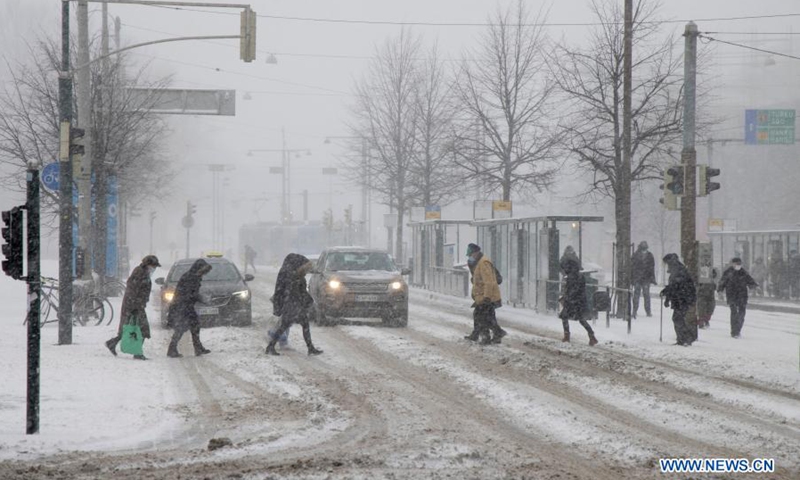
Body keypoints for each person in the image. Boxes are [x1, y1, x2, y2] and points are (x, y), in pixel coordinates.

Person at [266, 254, 323, 356]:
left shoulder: (296, 275)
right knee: (285, 326)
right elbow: (289, 292)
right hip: (291, 306)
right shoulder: (290, 275)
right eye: (305, 268)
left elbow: (301, 291)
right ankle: (270, 346)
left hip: (296, 306)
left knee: (299, 325)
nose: (306, 271)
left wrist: (307, 300)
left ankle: (310, 348)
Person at [105, 255, 161, 360]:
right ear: (148, 264)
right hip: (134, 306)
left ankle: (112, 343)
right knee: (141, 329)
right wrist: (135, 306)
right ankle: (137, 353)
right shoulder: (140, 273)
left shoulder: (143, 272)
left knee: (130, 327)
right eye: (153, 266)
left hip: (135, 305)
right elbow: (133, 290)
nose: (154, 268)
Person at [166, 259, 213, 358]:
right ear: (198, 268)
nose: (203, 274)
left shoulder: (194, 276)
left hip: (186, 305)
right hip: (182, 305)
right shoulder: (190, 277)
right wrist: (200, 298)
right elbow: (189, 293)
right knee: (182, 327)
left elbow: (191, 293)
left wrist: (198, 297)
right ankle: (172, 349)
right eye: (203, 271)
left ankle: (197, 347)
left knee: (194, 325)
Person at [463, 243, 506, 344]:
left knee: (481, 316)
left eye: (471, 254)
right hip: (483, 295)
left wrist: (487, 297)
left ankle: (491, 335)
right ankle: (494, 335)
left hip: (487, 296)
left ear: (476, 253)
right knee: (486, 316)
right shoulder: (479, 263)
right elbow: (480, 279)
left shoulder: (483, 263)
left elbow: (489, 281)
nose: (470, 257)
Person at [559, 257, 598, 346]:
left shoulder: (572, 277)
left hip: (573, 302)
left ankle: (567, 335)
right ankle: (591, 336)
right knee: (581, 320)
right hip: (580, 302)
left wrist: (567, 298)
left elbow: (572, 290)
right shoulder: (579, 276)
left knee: (564, 317)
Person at [660, 253, 696, 346]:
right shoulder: (678, 269)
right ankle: (683, 339)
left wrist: (666, 292)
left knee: (678, 318)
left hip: (682, 298)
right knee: (678, 318)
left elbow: (675, 285)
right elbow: (674, 285)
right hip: (682, 297)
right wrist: (667, 297)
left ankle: (685, 338)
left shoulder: (677, 270)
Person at [717, 257, 758, 339]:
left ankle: (738, 329)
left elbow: (750, 281)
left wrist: (754, 287)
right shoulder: (728, 272)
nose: (738, 266)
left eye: (739, 264)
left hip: (742, 295)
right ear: (733, 264)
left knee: (742, 314)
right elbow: (722, 282)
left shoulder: (743, 272)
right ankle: (734, 331)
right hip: (732, 295)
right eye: (736, 264)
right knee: (734, 312)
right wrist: (720, 291)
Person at [630, 241, 656, 318]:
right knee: (642, 295)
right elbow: (651, 268)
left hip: (642, 278)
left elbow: (651, 268)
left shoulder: (637, 255)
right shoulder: (648, 255)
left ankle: (643, 311)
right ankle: (636, 310)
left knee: (641, 295)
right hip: (641, 278)